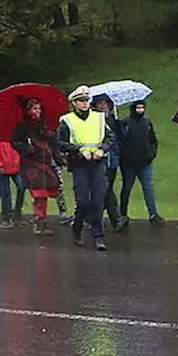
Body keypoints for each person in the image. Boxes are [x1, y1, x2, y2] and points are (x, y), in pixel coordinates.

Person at [57, 85, 111, 250]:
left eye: (87, 100)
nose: (85, 103)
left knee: (98, 200)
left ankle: (98, 237)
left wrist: (102, 149)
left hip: (97, 163)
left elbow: (110, 138)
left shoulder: (100, 118)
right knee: (83, 201)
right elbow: (61, 143)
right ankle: (77, 226)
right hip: (79, 164)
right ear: (74, 103)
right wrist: (79, 150)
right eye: (81, 101)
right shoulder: (67, 121)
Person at [13, 97, 63, 236]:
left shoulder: (45, 125)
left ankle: (43, 220)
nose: (38, 111)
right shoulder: (23, 127)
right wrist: (27, 148)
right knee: (38, 193)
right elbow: (15, 142)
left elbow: (53, 143)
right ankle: (38, 221)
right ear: (28, 110)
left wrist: (58, 158)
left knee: (46, 193)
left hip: (45, 161)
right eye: (34, 108)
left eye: (39, 108)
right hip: (31, 163)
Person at [118, 99, 164, 225]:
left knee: (149, 188)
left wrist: (152, 154)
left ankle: (153, 213)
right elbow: (120, 141)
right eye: (138, 108)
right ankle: (122, 213)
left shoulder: (147, 123)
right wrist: (125, 154)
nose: (140, 110)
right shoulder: (125, 123)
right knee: (127, 188)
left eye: (142, 108)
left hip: (145, 162)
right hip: (129, 163)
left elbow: (153, 140)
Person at [91, 94, 128, 232]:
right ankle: (115, 218)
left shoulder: (113, 120)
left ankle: (97, 218)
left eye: (105, 103)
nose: (103, 106)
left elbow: (120, 139)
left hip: (112, 159)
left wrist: (119, 126)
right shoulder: (93, 120)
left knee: (106, 188)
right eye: (100, 103)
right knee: (104, 189)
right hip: (99, 158)